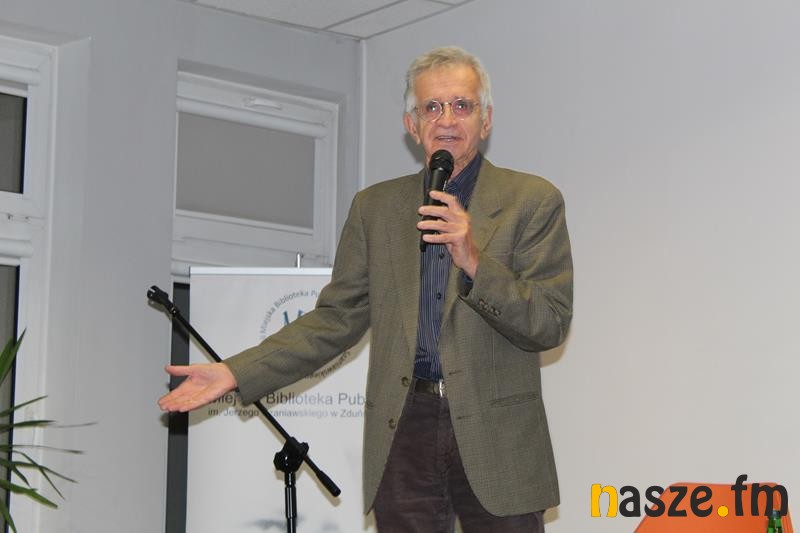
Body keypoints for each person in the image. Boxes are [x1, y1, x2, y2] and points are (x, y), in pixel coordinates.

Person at [159, 46, 573, 532]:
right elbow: (334, 320)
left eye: (462, 105)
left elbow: (549, 322)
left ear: (486, 120)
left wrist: (474, 260)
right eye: (432, 107)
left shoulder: (532, 201)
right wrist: (236, 371)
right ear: (412, 124)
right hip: (406, 424)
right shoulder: (375, 209)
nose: (446, 119)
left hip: (497, 432)